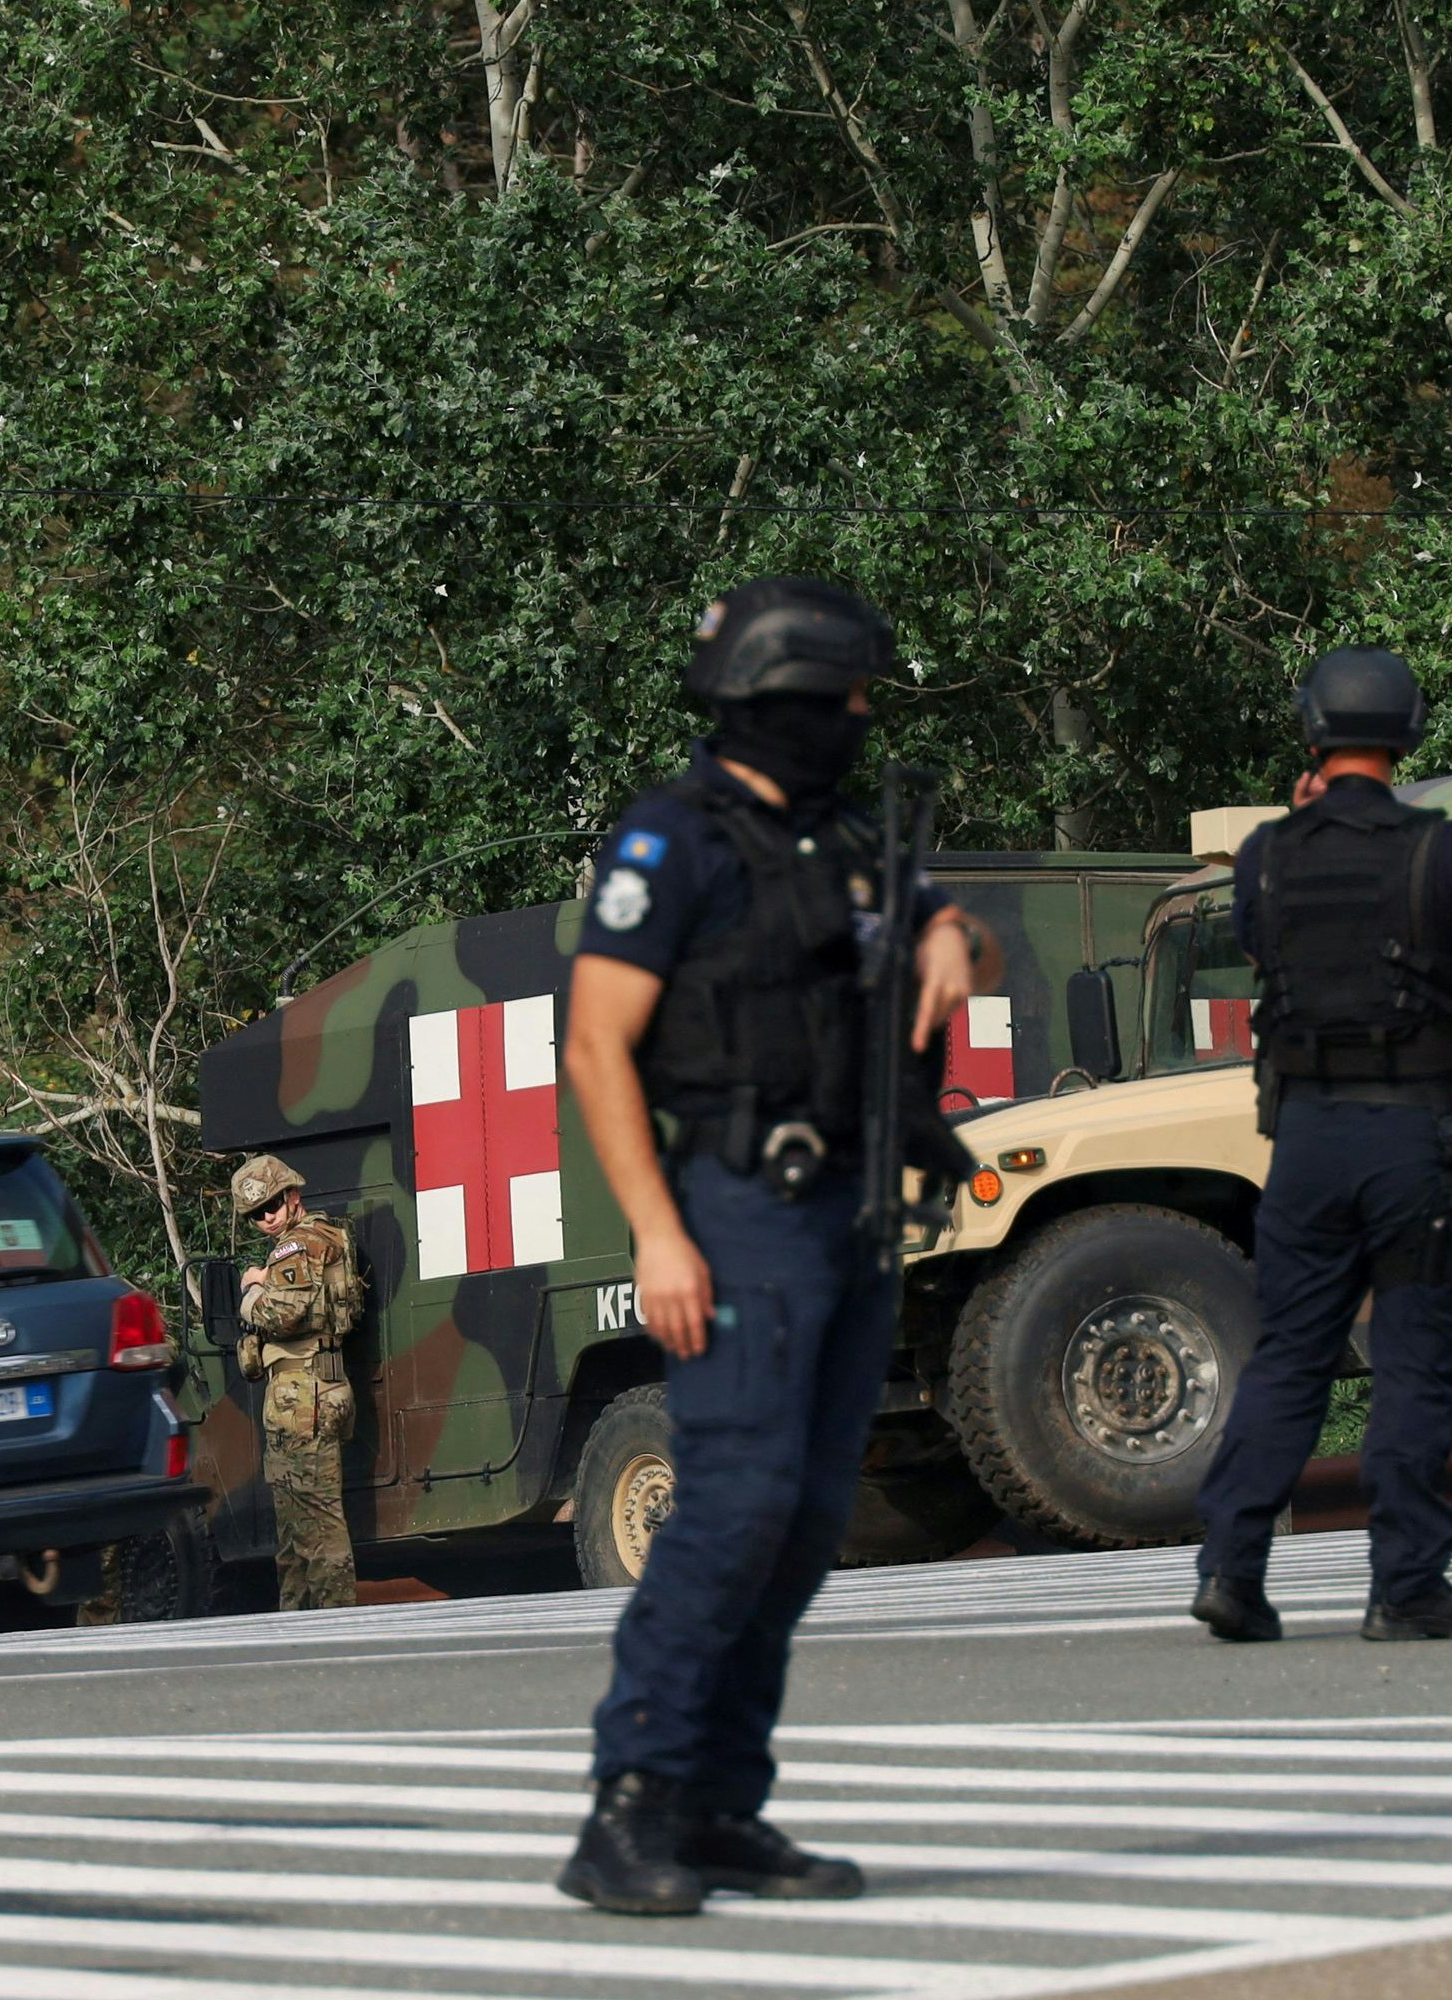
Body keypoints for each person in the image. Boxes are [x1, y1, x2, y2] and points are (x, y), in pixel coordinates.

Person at [552, 578, 992, 1916]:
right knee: (733, 1511)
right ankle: (629, 1806)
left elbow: (913, 915)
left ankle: (722, 1806)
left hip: (850, 1216)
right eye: (848, 698)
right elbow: (594, 1043)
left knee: (804, 1525)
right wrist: (660, 1236)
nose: (862, 720)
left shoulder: (846, 841)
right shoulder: (672, 846)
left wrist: (946, 932)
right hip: (738, 1210)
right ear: (787, 698)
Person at [1189, 647, 1452, 1647]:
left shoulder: (1265, 852)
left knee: (1289, 1354)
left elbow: (1267, 951)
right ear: (1407, 733)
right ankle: (1405, 1583)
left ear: (1310, 736)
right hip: (1415, 1138)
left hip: (1304, 1138)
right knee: (1415, 1359)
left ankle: (1231, 1566)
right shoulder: (1446, 849)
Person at [230, 1154, 362, 1613]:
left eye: (271, 1206)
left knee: (316, 1524)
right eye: (255, 1213)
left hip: (302, 1395)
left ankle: (334, 1626)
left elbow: (280, 1315)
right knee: (294, 1527)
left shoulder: (297, 1246)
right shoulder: (323, 1236)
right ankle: (299, 1626)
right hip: (312, 1391)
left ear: (292, 1196)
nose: (266, 1218)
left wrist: (251, 1290)